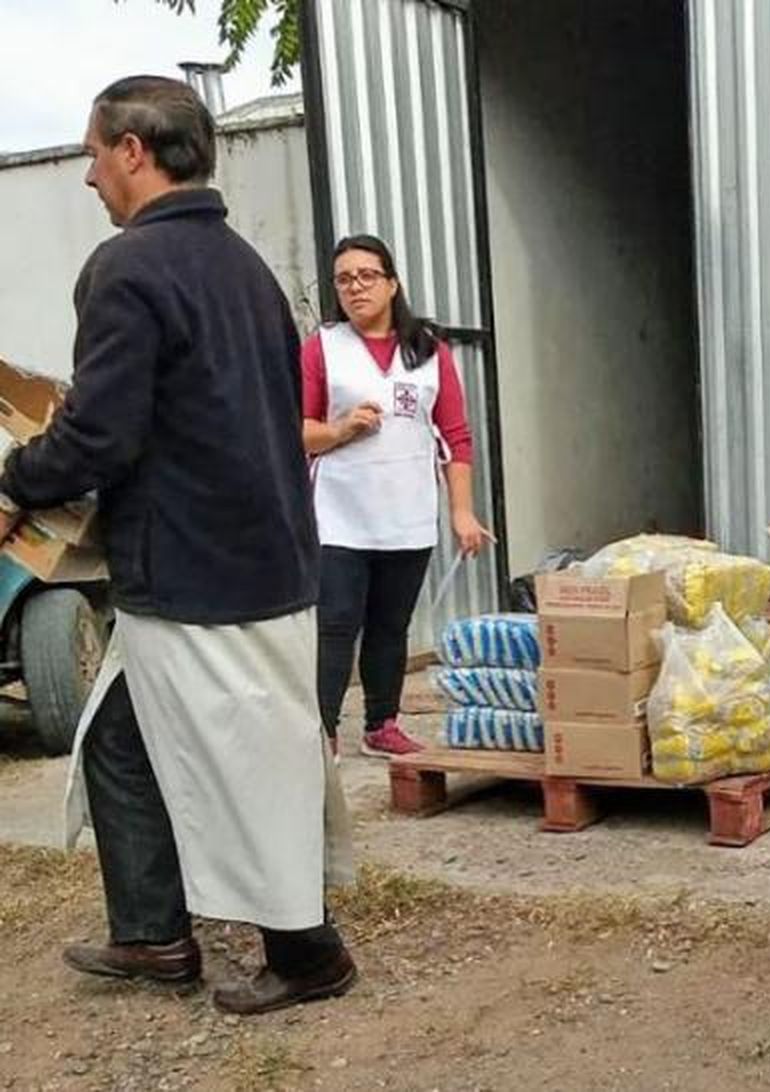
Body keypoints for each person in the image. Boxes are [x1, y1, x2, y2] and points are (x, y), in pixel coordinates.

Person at [0, 76, 356, 1015]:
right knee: (118, 738)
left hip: (193, 566)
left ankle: (308, 953)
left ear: (132, 151)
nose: (86, 176)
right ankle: (154, 933)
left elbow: (103, 436)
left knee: (250, 758)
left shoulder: (126, 268)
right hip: (262, 552)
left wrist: (16, 480)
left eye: (90, 153)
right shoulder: (245, 267)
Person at [301, 234, 492, 759]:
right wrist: (340, 430)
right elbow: (296, 430)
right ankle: (325, 732)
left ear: (392, 284)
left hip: (407, 513)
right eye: (344, 279)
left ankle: (382, 723)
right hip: (340, 514)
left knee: (391, 625)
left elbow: (456, 437)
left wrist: (461, 511)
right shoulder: (323, 348)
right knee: (337, 624)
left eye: (367, 276)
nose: (355, 287)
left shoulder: (427, 351)